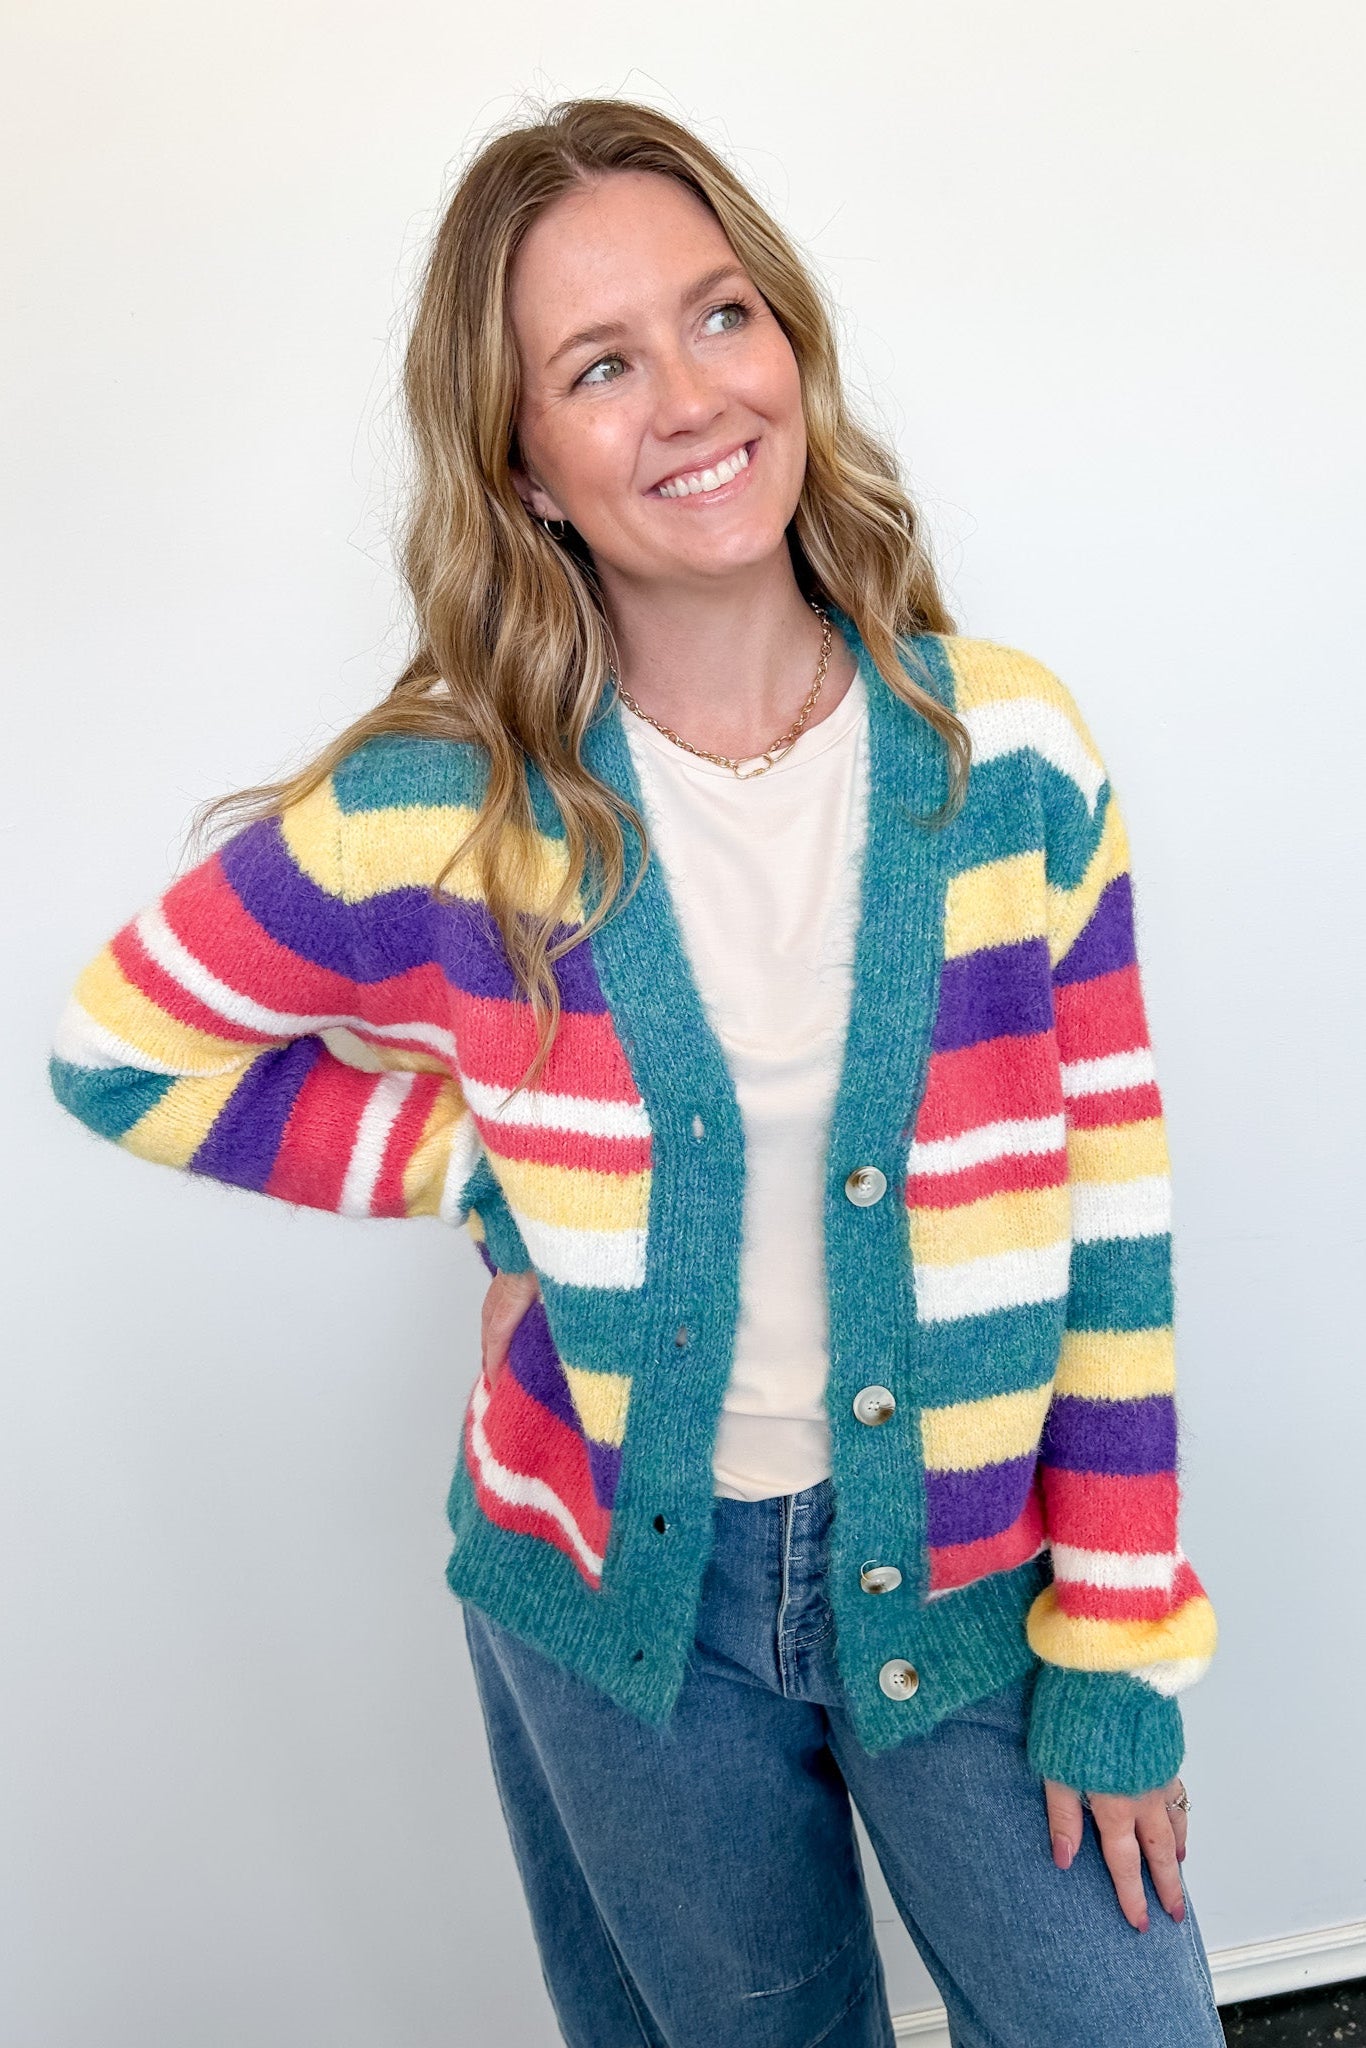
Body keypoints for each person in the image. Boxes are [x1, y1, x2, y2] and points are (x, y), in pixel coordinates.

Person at [49, 97, 1223, 2048]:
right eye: (598, 366)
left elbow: (1111, 1218)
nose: (688, 397)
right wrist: (487, 1170)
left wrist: (1114, 1641)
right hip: (616, 1603)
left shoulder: (1003, 756)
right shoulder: (450, 799)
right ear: (522, 464)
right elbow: (125, 1047)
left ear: (789, 342)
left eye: (719, 315)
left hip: (975, 1574)